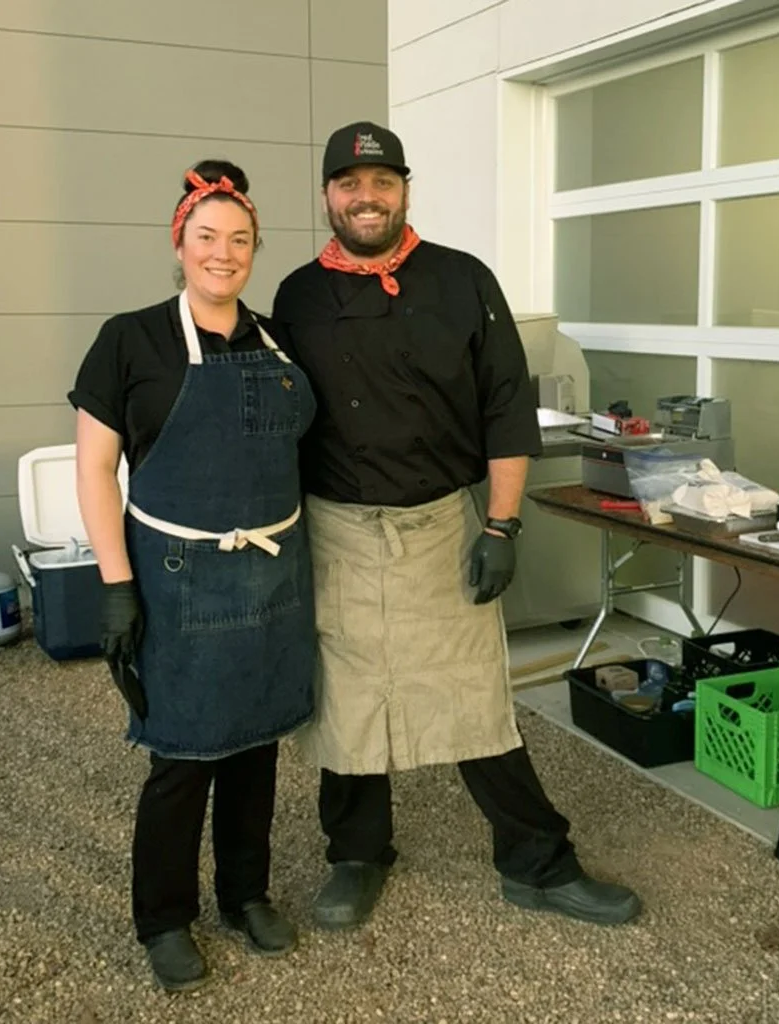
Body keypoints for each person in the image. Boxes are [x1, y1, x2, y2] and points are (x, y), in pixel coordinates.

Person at [271, 121, 641, 930]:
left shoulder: (463, 279)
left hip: (441, 523)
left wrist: (501, 527)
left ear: (404, 189)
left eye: (382, 182)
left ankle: (536, 862)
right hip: (333, 527)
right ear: (328, 195)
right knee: (349, 701)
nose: (366, 198)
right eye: (349, 184)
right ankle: (357, 853)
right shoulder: (296, 295)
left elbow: (507, 408)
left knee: (473, 698)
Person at [71, 160, 318, 991]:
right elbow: (95, 469)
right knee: (180, 759)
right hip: (176, 582)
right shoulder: (128, 339)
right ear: (178, 243)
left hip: (273, 584)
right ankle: (163, 917)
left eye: (240, 239)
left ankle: (245, 894)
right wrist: (115, 584)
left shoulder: (279, 339)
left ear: (255, 250)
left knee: (255, 747)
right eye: (206, 236)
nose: (223, 253)